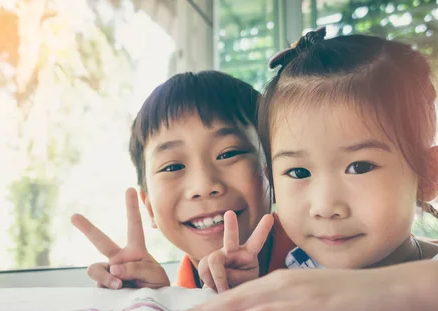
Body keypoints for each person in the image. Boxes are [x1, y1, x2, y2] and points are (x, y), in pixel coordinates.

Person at [166, 29, 438, 311]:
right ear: (271, 181)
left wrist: (389, 296)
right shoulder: (299, 272)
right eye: (298, 173)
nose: (326, 206)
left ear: (429, 173)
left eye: (359, 166)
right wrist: (247, 289)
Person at [71, 71, 296, 290]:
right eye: (173, 167)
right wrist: (152, 305)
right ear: (149, 207)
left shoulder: (323, 255)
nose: (203, 186)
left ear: (274, 173)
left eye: (228, 153)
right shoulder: (174, 291)